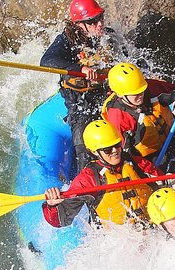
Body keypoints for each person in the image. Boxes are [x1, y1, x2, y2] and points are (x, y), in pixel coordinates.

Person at [42, 120, 175, 228]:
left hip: (150, 228)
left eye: (117, 145)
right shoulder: (89, 178)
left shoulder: (137, 164)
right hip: (116, 241)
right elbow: (62, 220)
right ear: (94, 152)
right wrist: (52, 206)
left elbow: (164, 186)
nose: (115, 151)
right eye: (108, 149)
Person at [41, 0, 128, 171]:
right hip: (80, 101)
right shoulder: (67, 41)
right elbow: (47, 61)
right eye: (92, 21)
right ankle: (87, 179)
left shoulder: (109, 36)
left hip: (106, 94)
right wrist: (80, 68)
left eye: (100, 17)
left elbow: (127, 60)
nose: (99, 24)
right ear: (79, 24)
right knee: (84, 145)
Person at [102, 62, 175, 173]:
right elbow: (124, 156)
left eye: (141, 90)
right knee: (168, 166)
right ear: (120, 95)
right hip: (148, 156)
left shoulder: (150, 87)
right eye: (135, 93)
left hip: (170, 137)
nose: (141, 95)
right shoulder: (118, 118)